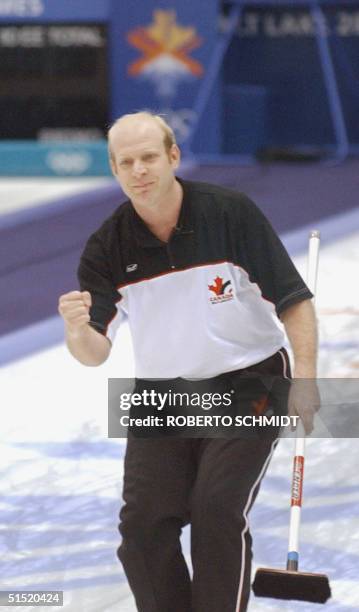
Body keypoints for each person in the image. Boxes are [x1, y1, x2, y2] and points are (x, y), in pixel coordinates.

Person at [58, 111, 318, 612]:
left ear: (173, 157)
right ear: (114, 170)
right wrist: (76, 330)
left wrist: (305, 379)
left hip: (250, 379)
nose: (139, 170)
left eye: (149, 157)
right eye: (126, 162)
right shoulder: (106, 247)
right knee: (142, 527)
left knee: (216, 509)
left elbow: (293, 301)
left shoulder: (230, 213)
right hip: (164, 395)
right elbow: (94, 352)